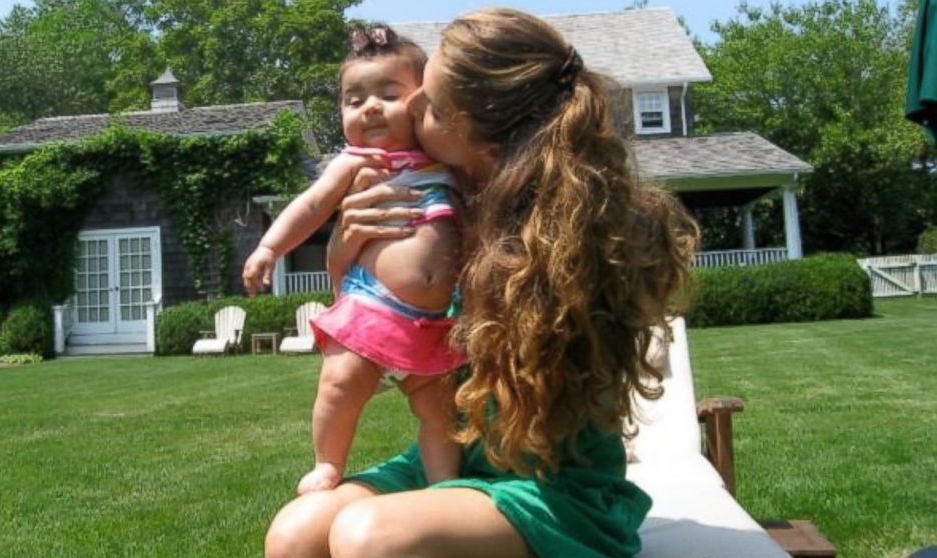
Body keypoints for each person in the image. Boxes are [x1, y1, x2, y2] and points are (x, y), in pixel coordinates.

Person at [263, 8, 699, 558]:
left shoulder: (574, 233)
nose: (407, 108)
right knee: (294, 534)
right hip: (462, 454)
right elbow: (384, 325)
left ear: (478, 137)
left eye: (428, 104)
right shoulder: (431, 204)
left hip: (552, 483)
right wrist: (343, 252)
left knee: (368, 537)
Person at [242, 24, 464, 495]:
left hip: (434, 321)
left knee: (439, 409)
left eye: (388, 93)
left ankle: (446, 484)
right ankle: (327, 463)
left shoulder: (443, 159)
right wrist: (269, 248)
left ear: (423, 102)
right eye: (354, 99)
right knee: (340, 383)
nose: (370, 107)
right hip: (374, 307)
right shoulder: (354, 162)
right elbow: (311, 205)